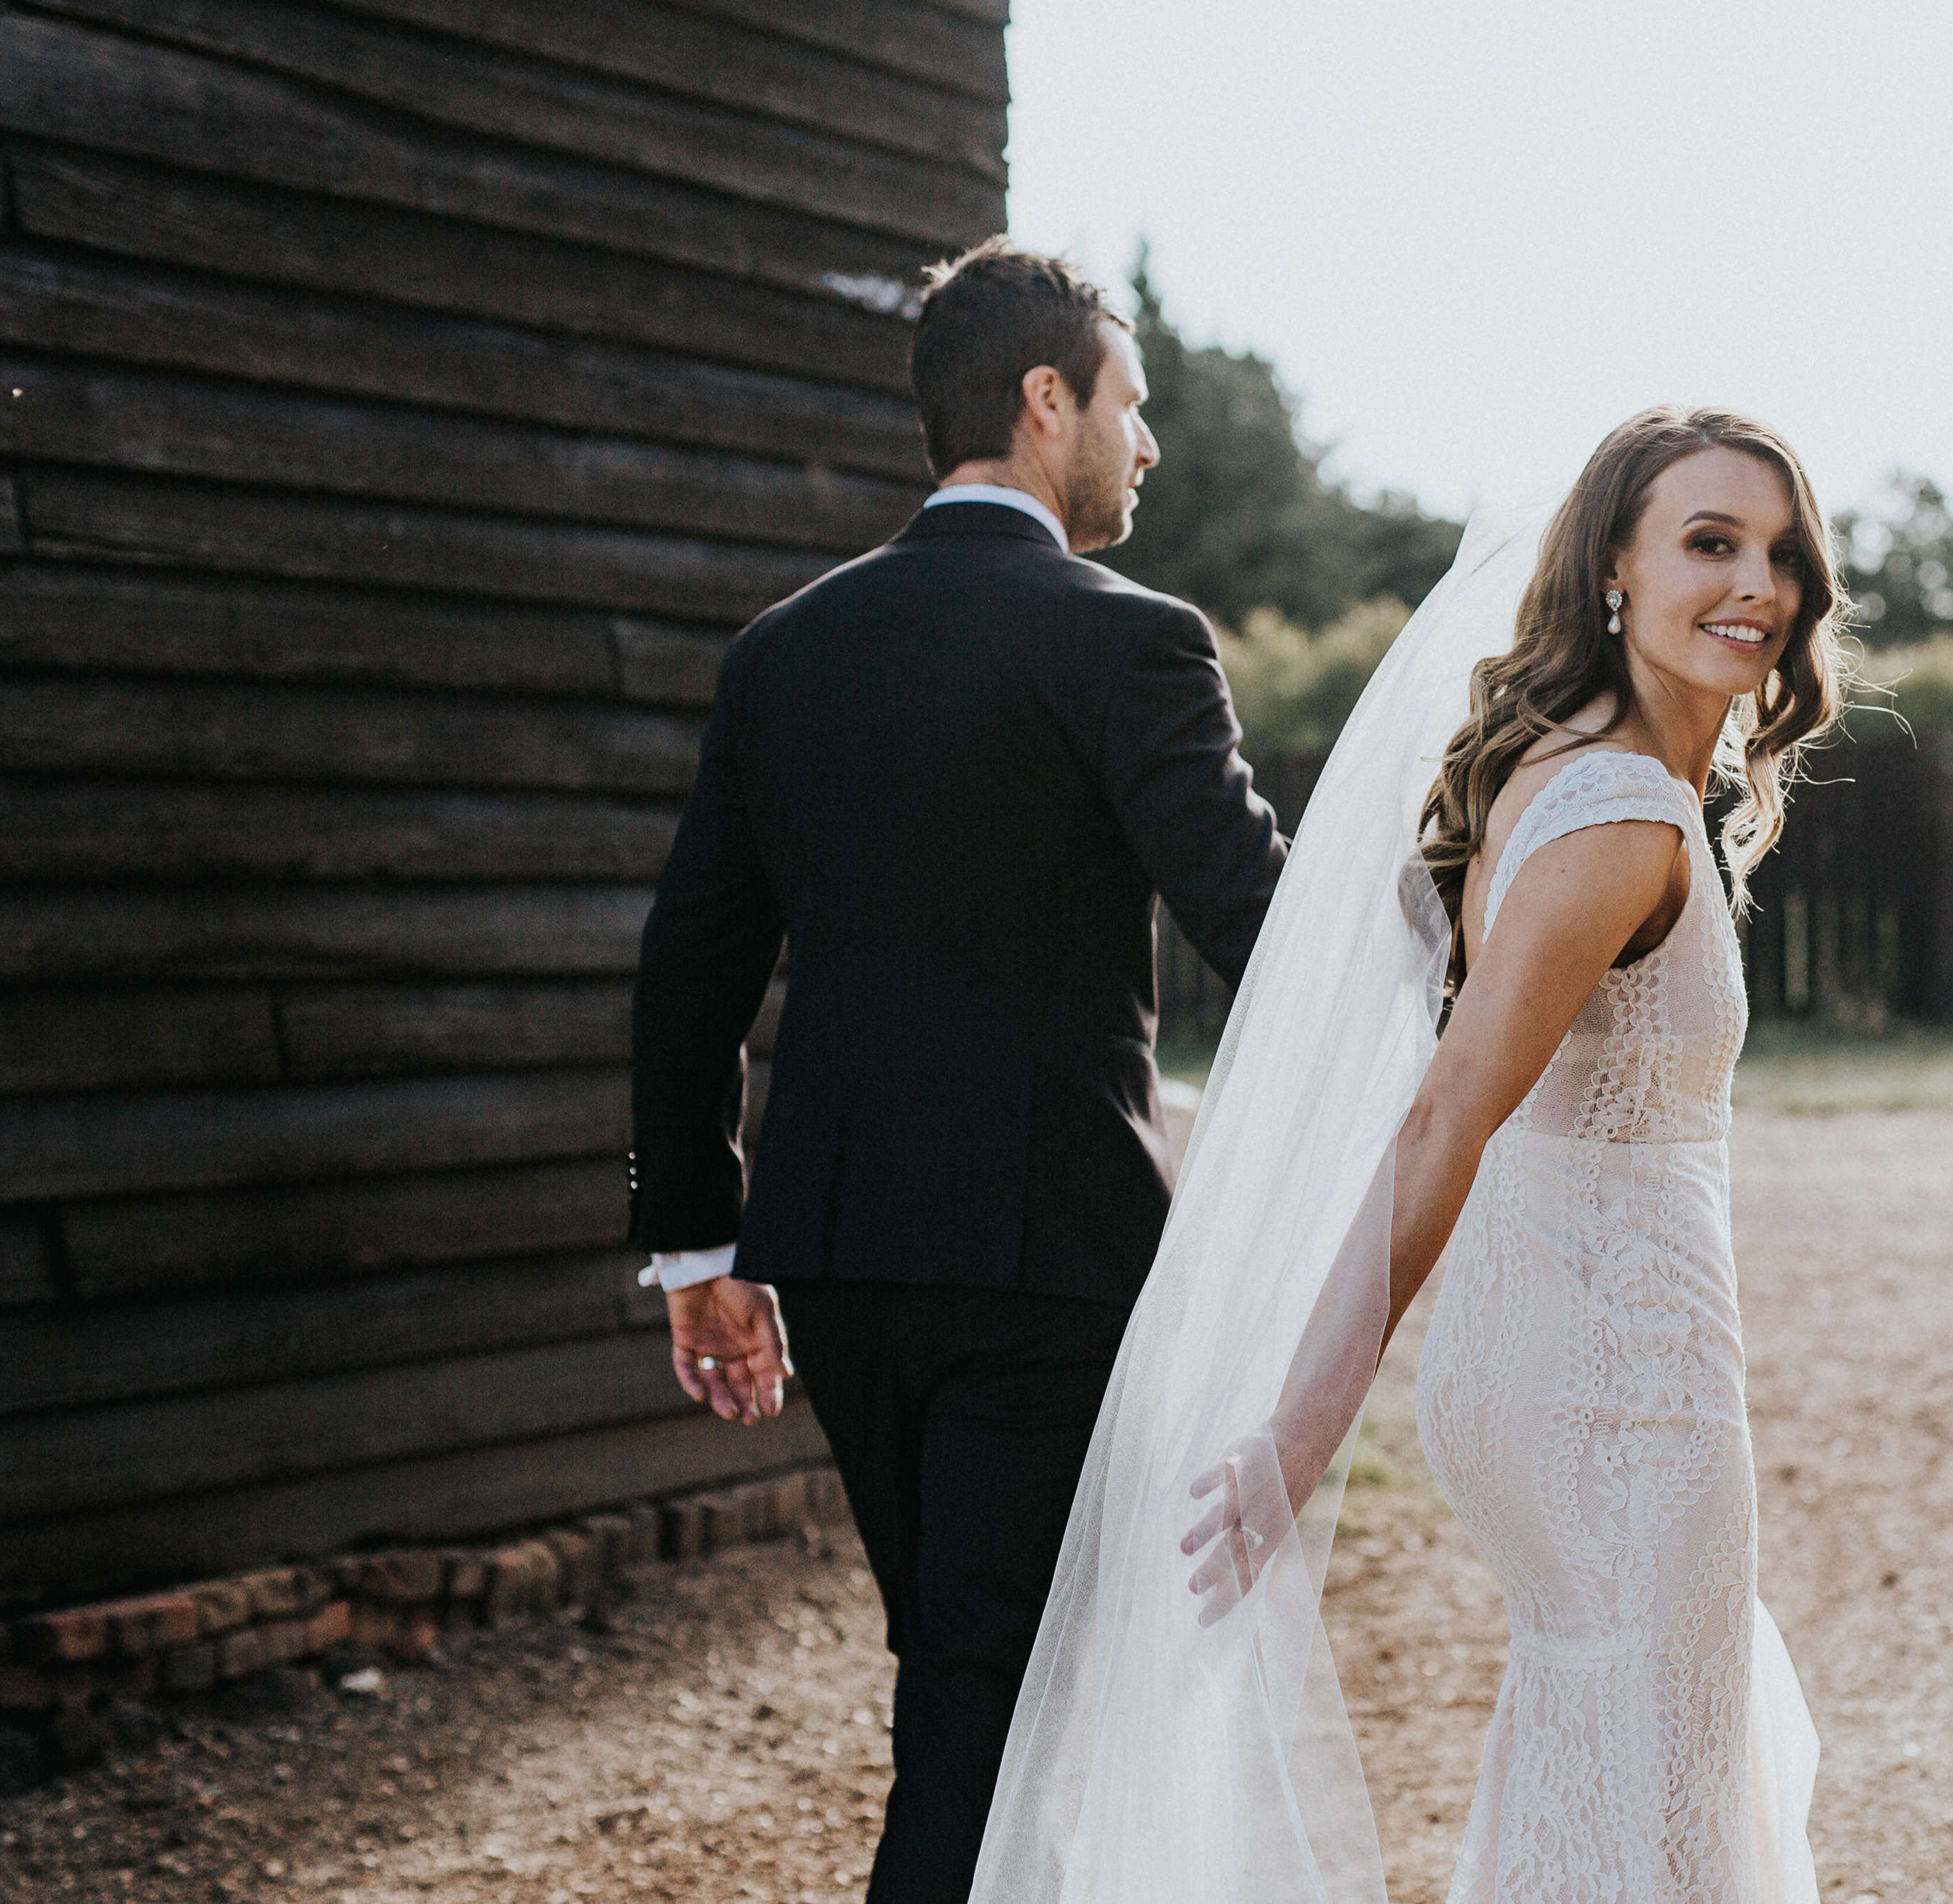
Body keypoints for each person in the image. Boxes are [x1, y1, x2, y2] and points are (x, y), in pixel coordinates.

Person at [975, 408, 1852, 1904]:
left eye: (1780, 551)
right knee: (1653, 1789)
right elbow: (1446, 1111)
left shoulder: (1571, 775)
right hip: (1618, 1394)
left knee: (1610, 1755)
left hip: (1575, 1365)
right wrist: (1297, 1439)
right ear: (1614, 575)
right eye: (1709, 543)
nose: (1756, 584)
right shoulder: (1624, 814)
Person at [626, 238, 1286, 1904]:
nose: (1147, 447)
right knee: (985, 1716)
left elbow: (685, 974)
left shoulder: (784, 652)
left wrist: (695, 1246)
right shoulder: (1131, 643)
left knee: (966, 1674)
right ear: (1044, 399)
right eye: (1129, 406)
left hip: (836, 1259)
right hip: (1043, 1265)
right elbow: (1259, 924)